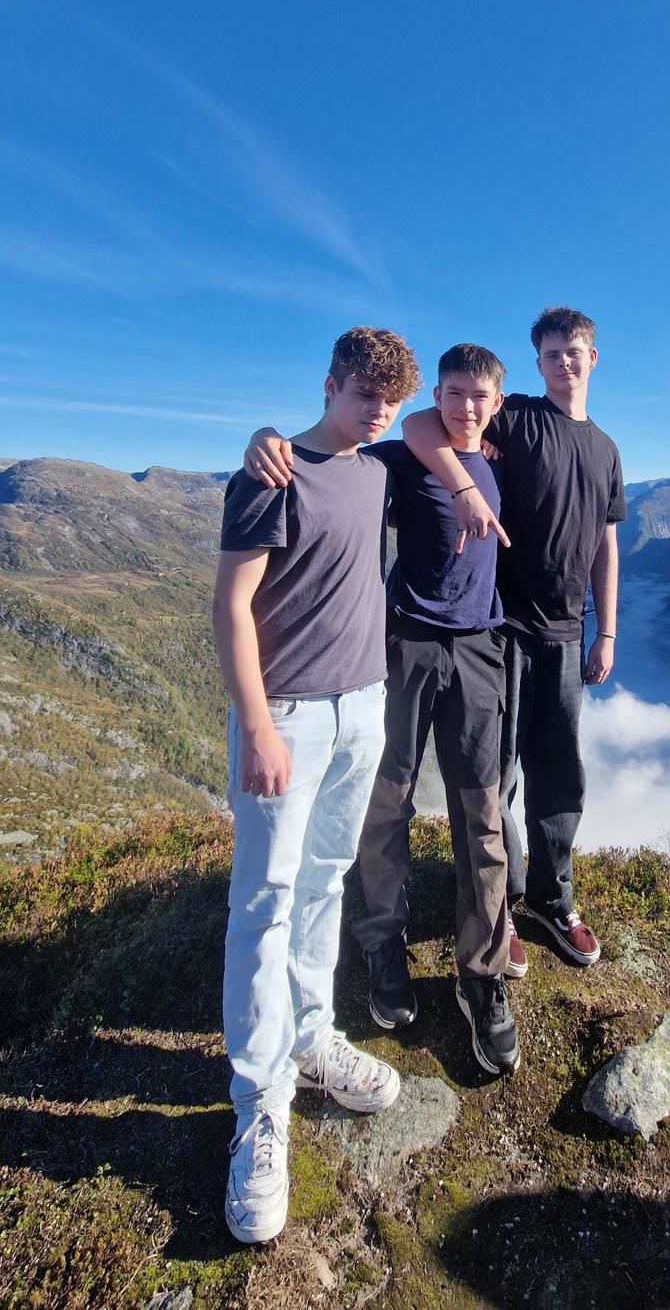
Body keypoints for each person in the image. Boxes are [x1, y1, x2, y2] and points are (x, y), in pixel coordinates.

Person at [244, 344, 526, 1079]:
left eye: (480, 396)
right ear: (438, 395)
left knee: (481, 813)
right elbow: (345, 451)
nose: (467, 406)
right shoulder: (401, 460)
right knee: (384, 804)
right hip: (399, 646)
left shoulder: (505, 457)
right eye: (455, 393)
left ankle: (482, 974)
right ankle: (381, 945)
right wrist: (265, 440)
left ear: (498, 401)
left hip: (479, 651)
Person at [213, 326, 420, 1246]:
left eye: (391, 400)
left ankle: (311, 1038)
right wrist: (257, 723)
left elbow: (452, 445)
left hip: (362, 708)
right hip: (290, 716)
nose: (377, 410)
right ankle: (259, 1108)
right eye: (364, 393)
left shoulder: (379, 469)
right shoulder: (268, 474)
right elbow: (229, 606)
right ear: (330, 384)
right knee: (262, 901)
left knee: (324, 883)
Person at [399, 307, 624, 967]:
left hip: (564, 630)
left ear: (593, 356)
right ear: (537, 364)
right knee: (494, 777)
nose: (563, 363)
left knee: (560, 774)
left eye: (573, 351)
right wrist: (466, 487)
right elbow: (419, 422)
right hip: (501, 627)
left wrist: (605, 631)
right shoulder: (519, 417)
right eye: (551, 353)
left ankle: (554, 903)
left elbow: (606, 546)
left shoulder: (607, 449)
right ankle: (499, 904)